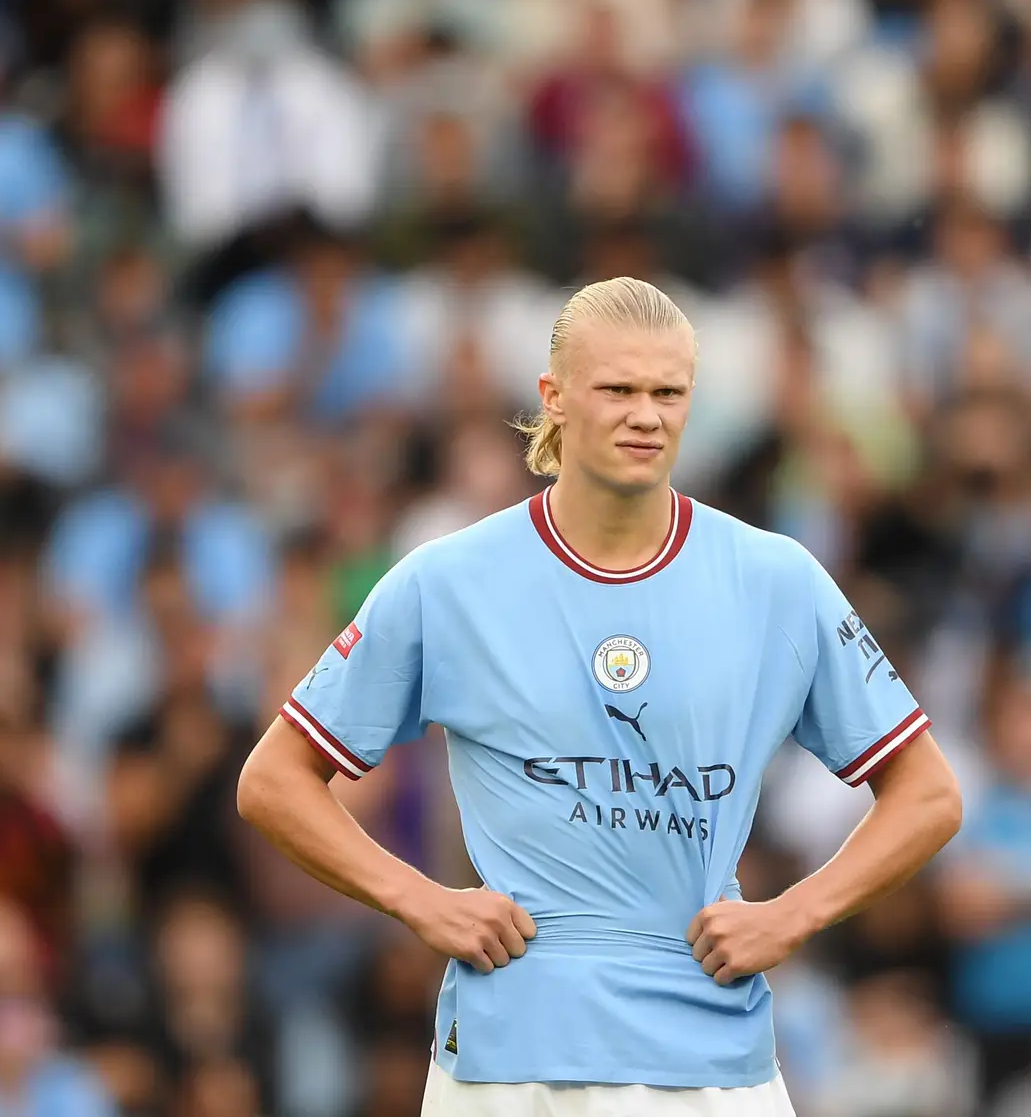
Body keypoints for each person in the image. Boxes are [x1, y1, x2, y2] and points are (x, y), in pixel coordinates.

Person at [236, 276, 964, 1114]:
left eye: (669, 392)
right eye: (618, 389)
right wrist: (418, 900)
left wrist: (793, 915)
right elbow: (273, 781)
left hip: (709, 1055)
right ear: (554, 397)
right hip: (510, 1063)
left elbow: (930, 794)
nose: (645, 415)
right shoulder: (449, 582)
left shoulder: (777, 582)